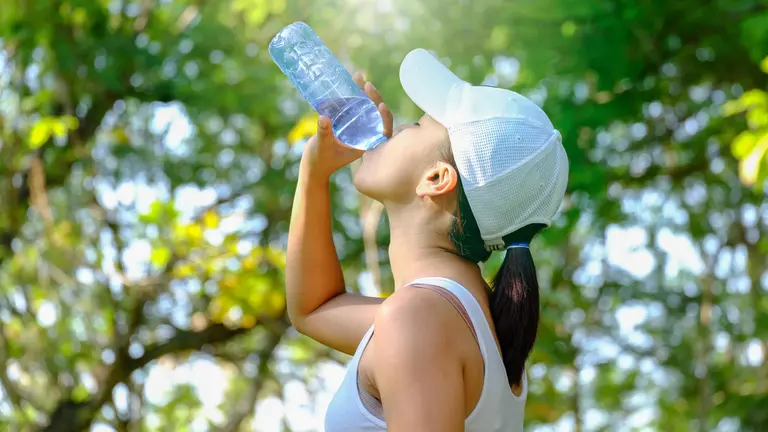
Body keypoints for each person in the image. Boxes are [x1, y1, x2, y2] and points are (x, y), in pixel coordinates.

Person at [285, 48, 569, 432]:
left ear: (436, 179)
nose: (397, 128)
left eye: (416, 127)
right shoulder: (461, 316)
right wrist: (313, 174)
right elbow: (314, 310)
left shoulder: (420, 317)